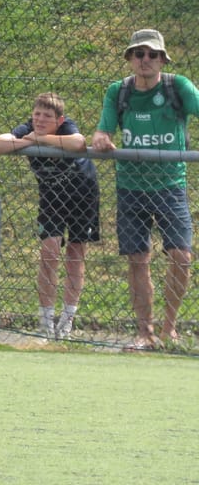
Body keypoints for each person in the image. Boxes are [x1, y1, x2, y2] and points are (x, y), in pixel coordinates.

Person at [91, 28, 199, 350]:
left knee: (181, 256)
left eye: (153, 54)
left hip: (170, 185)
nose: (145, 60)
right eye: (139, 54)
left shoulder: (177, 86)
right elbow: (103, 130)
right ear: (129, 59)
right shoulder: (118, 91)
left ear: (163, 59)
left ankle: (169, 327)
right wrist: (101, 138)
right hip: (131, 187)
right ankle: (145, 332)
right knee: (138, 259)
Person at [0, 92, 100, 340]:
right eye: (36, 114)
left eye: (46, 116)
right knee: (49, 253)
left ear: (58, 120)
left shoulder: (66, 126)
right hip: (51, 198)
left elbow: (78, 143)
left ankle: (67, 321)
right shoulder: (27, 129)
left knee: (75, 253)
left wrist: (41, 139)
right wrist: (29, 141)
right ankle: (46, 322)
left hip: (82, 194)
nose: (39, 119)